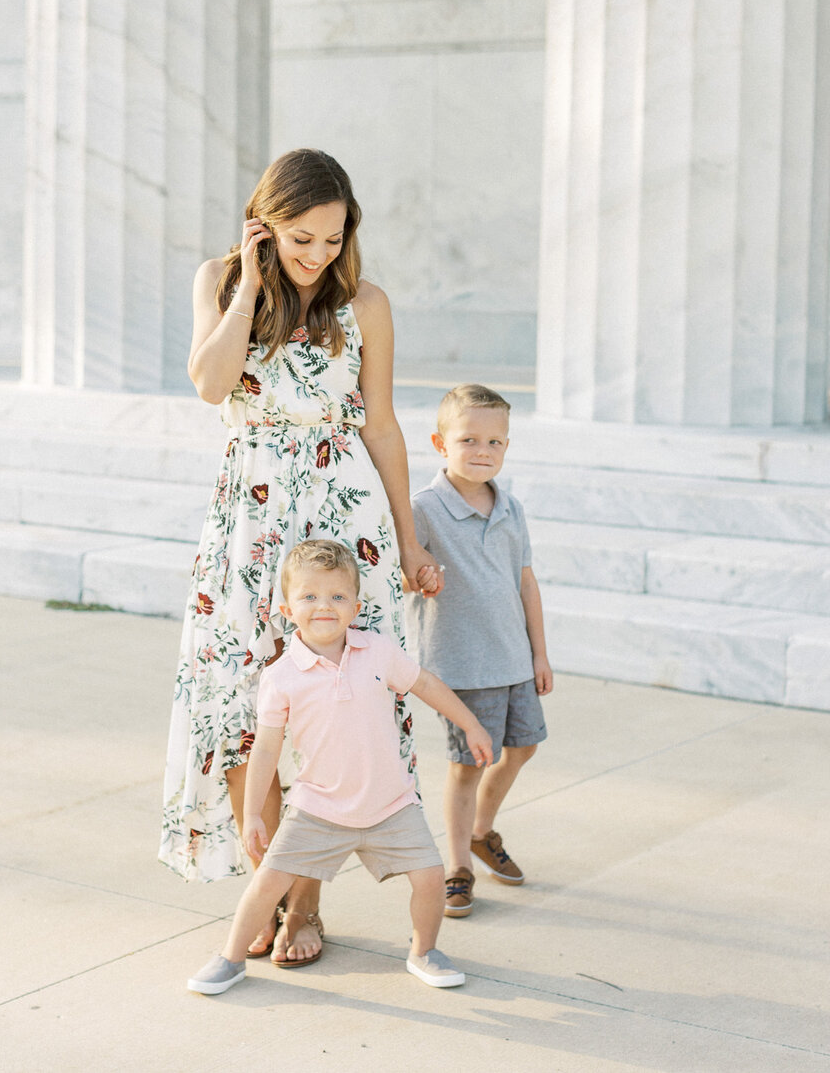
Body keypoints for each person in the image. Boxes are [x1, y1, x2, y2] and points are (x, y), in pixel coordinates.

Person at [160, 148, 442, 968]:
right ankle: (271, 889)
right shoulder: (221, 279)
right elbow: (211, 384)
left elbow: (383, 426)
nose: (317, 254)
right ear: (263, 225)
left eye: (332, 236)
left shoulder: (366, 304)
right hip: (249, 525)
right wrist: (250, 286)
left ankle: (303, 907)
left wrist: (409, 539)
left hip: (341, 517)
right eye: (298, 238)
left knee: (329, 713)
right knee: (250, 708)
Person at [187, 540, 491, 994]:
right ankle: (230, 958)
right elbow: (266, 751)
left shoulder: (378, 652)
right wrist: (251, 815)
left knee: (430, 878)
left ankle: (424, 951)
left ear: (355, 606)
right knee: (268, 883)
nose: (323, 607)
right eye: (309, 597)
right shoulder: (282, 675)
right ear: (288, 610)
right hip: (318, 807)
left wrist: (471, 724)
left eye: (336, 596)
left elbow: (425, 684)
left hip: (391, 803)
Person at [405, 383, 553, 918]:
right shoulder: (424, 508)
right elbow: (401, 572)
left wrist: (539, 654)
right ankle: (458, 867)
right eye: (468, 439)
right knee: (468, 763)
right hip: (462, 665)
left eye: (494, 441)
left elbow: (527, 583)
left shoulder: (510, 507)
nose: (482, 450)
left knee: (523, 747)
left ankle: (482, 830)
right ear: (440, 442)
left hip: (514, 658)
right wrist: (416, 577)